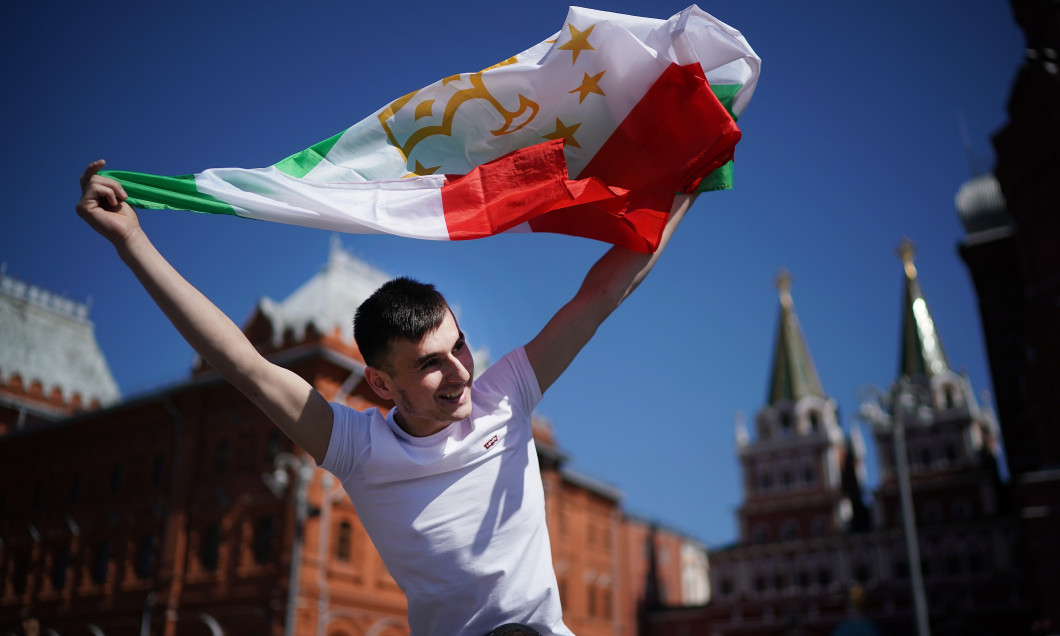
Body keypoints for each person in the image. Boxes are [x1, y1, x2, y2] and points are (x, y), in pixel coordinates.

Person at [77, 159, 694, 636]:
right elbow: (242, 364)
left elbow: (601, 295)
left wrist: (688, 181)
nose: (458, 372)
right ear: (381, 384)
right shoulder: (358, 449)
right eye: (429, 364)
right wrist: (130, 240)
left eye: (460, 346)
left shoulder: (506, 395)